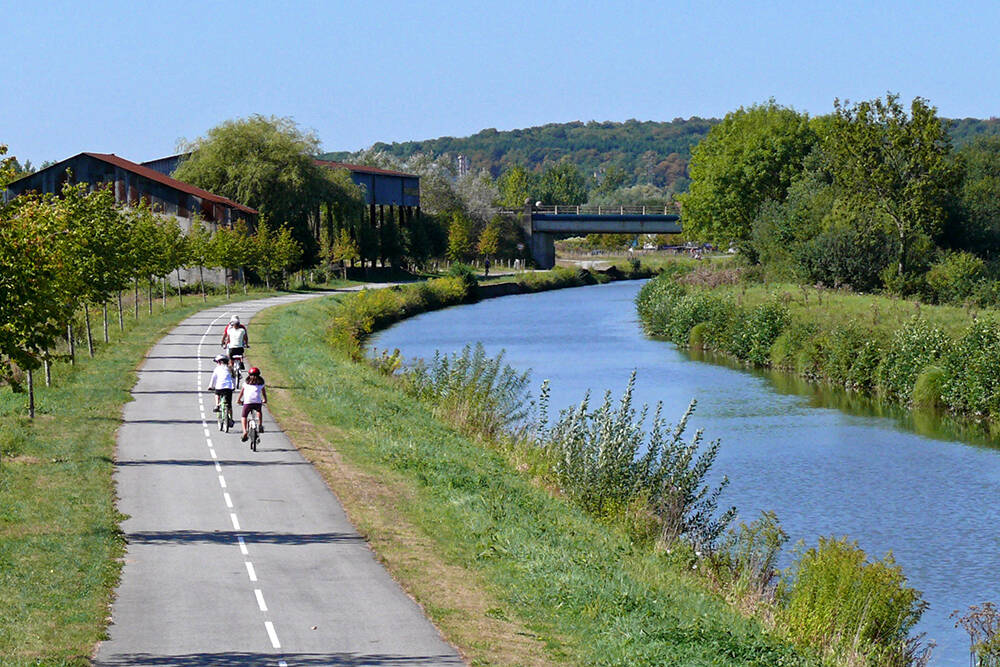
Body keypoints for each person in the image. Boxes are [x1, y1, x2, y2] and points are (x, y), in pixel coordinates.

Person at [237, 366, 267, 442]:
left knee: (244, 416)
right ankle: (260, 425)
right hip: (257, 402)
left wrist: (239, 400)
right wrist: (265, 400)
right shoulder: (261, 383)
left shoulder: (246, 383)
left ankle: (244, 431)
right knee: (259, 411)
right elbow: (263, 393)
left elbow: (242, 392)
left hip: (248, 402)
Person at [206, 354, 235, 421]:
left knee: (217, 394)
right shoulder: (230, 369)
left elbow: (213, 378)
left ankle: (217, 405)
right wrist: (233, 386)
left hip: (219, 387)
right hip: (228, 388)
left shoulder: (217, 369)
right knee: (229, 405)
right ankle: (230, 418)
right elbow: (233, 378)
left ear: (220, 362)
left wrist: (211, 386)